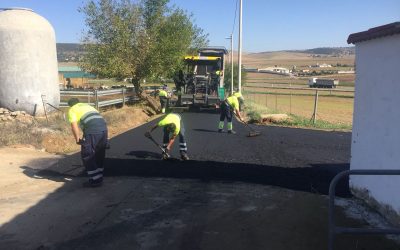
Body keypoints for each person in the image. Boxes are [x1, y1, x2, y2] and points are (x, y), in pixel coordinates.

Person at [67, 98, 108, 187]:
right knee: (99, 153)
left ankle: (95, 180)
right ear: (78, 102)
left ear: (70, 105)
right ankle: (99, 176)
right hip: (104, 130)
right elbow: (99, 119)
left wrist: (77, 139)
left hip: (92, 131)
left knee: (87, 154)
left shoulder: (72, 110)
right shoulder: (87, 106)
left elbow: (74, 126)